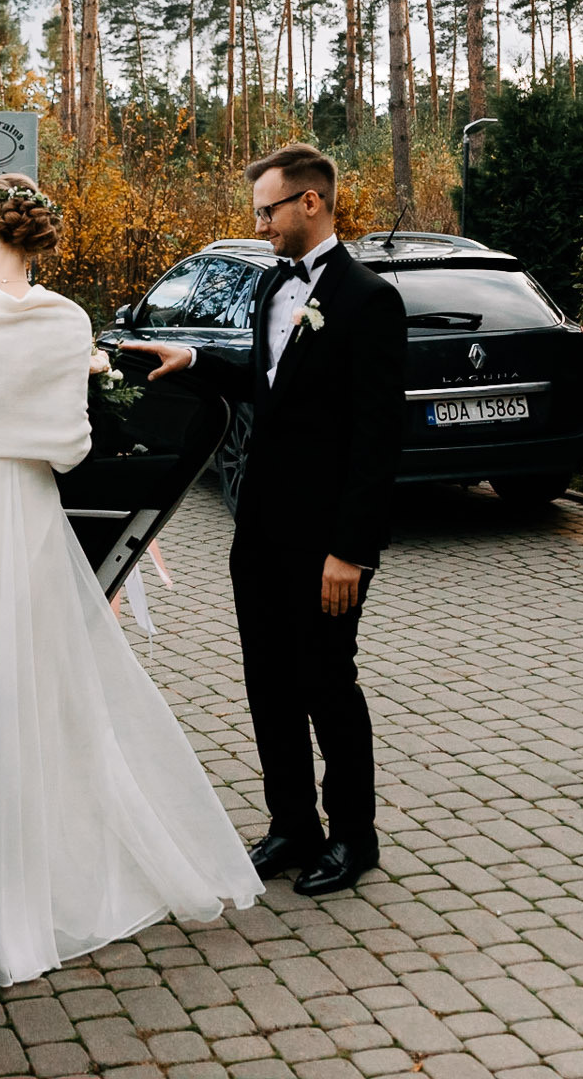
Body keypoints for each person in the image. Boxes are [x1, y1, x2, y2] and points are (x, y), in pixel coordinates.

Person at [0, 173, 262, 986]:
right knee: (32, 686)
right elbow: (66, 448)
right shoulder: (63, 321)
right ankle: (35, 871)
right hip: (22, 514)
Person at [117, 142, 405, 897]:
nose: (261, 225)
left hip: (326, 542)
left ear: (311, 202)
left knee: (325, 681)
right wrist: (195, 361)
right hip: (260, 528)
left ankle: (353, 837)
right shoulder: (271, 287)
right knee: (267, 681)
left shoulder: (369, 301)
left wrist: (351, 549)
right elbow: (271, 380)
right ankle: (292, 825)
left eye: (267, 210)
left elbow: (378, 440)